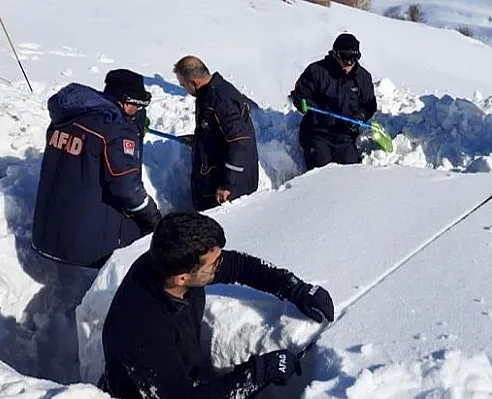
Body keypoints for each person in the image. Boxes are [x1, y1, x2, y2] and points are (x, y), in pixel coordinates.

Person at [100, 211, 335, 398]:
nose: (221, 265)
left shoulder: (169, 261)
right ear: (183, 277)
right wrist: (257, 372)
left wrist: (295, 288)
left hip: (190, 370)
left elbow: (240, 266)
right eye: (214, 264)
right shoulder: (141, 329)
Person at [32, 69, 162, 269]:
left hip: (48, 232)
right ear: (124, 101)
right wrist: (151, 216)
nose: (137, 110)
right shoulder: (116, 130)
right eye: (135, 105)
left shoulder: (66, 117)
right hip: (90, 245)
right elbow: (126, 187)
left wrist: (133, 123)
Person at [172, 56, 259, 211]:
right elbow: (220, 131)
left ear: (193, 82)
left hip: (226, 188)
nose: (184, 89)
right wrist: (198, 139)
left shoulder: (219, 100)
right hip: (214, 179)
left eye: (183, 85)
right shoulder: (208, 93)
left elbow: (240, 140)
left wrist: (228, 184)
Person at [290, 33, 377, 170]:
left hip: (345, 136)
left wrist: (360, 116)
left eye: (354, 58)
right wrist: (317, 114)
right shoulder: (317, 72)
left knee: (350, 169)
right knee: (321, 166)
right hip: (317, 133)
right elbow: (300, 95)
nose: (349, 63)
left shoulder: (363, 78)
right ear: (335, 54)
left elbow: (369, 105)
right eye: (345, 58)